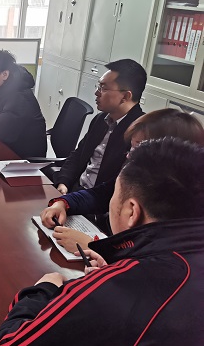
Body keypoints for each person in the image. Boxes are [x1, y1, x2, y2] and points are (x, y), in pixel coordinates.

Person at [0, 138, 204, 346]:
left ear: (131, 212)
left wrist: (44, 290)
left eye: (114, 195)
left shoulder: (120, 291)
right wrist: (116, 267)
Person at [40, 108, 204, 252]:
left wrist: (94, 246)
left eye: (138, 147)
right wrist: (62, 203)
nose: (128, 156)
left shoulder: (179, 210)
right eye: (131, 148)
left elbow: (150, 258)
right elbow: (100, 194)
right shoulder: (140, 178)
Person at [54, 59, 146, 195]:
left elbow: (121, 187)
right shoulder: (100, 119)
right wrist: (63, 182)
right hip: (75, 191)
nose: (97, 93)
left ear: (126, 96)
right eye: (99, 86)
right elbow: (78, 155)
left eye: (104, 88)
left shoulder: (140, 133)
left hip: (97, 202)